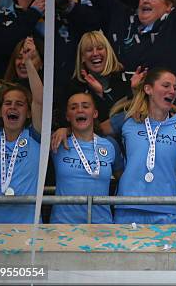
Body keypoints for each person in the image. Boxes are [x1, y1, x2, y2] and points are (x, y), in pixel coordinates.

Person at [99, 67, 176, 224]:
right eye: (166, 86)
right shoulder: (129, 118)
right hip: (128, 206)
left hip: (166, 208)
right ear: (148, 89)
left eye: (175, 88)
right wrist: (118, 166)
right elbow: (93, 131)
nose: (172, 91)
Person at [0, 37, 43, 223]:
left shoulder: (35, 136)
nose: (13, 107)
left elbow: (39, 100)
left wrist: (28, 61)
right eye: (7, 103)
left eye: (19, 104)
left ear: (29, 113)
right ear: (0, 111)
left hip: (27, 228)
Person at [50, 92, 123, 224]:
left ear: (95, 113)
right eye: (73, 108)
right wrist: (63, 130)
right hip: (63, 226)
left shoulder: (110, 145)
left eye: (85, 106)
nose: (79, 110)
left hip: (101, 226)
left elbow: (122, 180)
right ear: (67, 116)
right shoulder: (57, 141)